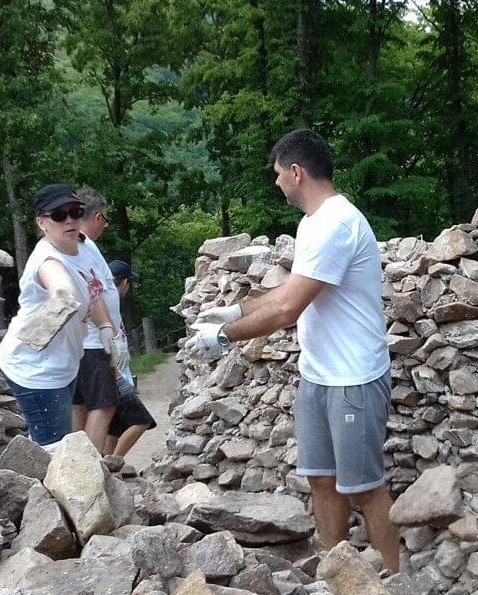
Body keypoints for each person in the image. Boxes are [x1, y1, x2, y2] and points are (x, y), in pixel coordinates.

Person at [187, 129, 401, 572]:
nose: (277, 183)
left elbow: (287, 309)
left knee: (364, 487)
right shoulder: (312, 224)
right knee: (322, 479)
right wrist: (233, 310)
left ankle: (395, 582)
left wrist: (224, 338)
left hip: (353, 379)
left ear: (297, 172)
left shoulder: (338, 225)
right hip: (320, 374)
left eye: (279, 174)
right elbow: (291, 289)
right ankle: (334, 572)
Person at [0, 184, 126, 451]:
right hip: (34, 368)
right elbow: (59, 282)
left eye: (75, 212)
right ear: (42, 222)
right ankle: (40, 490)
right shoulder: (46, 258)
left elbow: (93, 289)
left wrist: (105, 327)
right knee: (52, 449)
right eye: (58, 215)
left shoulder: (84, 244)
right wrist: (62, 293)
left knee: (64, 439)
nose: (69, 219)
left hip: (64, 363)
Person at [69, 187, 129, 452]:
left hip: (84, 341)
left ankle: (73, 463)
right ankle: (89, 467)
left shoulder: (80, 246)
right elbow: (91, 290)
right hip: (94, 343)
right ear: (97, 217)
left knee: (80, 404)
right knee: (104, 405)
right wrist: (109, 332)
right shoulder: (84, 245)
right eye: (104, 220)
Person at [103, 259, 157, 458]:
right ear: (124, 281)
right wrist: (119, 379)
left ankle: (106, 468)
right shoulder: (107, 307)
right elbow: (104, 346)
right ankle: (115, 462)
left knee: (114, 428)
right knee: (142, 421)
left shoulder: (108, 304)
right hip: (114, 377)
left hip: (116, 375)